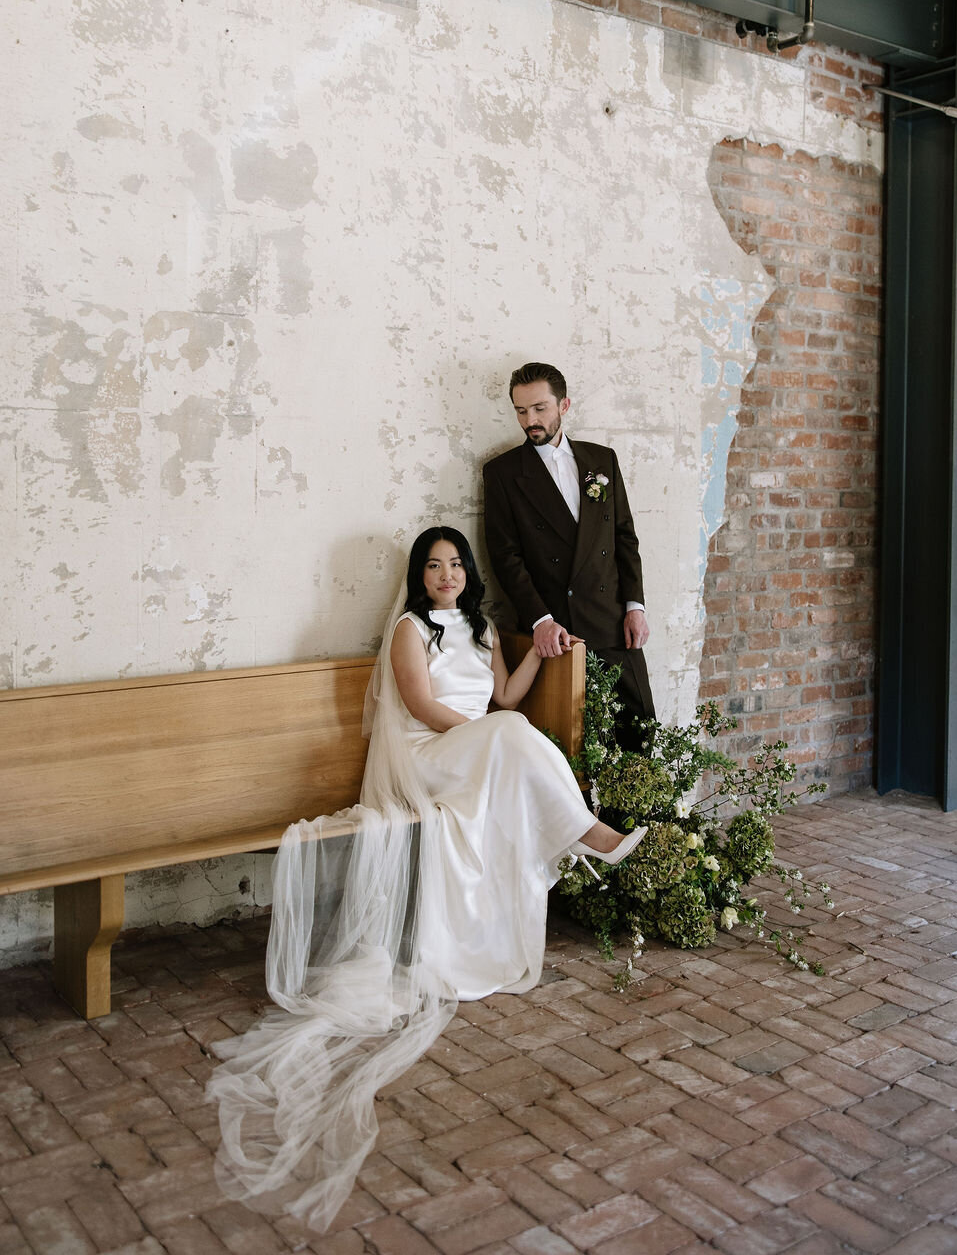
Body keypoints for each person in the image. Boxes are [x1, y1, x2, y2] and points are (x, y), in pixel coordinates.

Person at [207, 526, 645, 1233]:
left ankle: (581, 837)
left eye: (455, 565)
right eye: (434, 566)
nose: (446, 574)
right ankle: (590, 834)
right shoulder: (412, 630)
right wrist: (482, 734)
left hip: (472, 744)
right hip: (429, 753)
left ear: (469, 574)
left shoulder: (480, 629)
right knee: (510, 738)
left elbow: (503, 697)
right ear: (420, 575)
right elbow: (418, 708)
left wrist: (535, 650)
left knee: (513, 733)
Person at [483, 361, 656, 736]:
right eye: (521, 410)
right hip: (558, 634)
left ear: (564, 406)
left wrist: (635, 607)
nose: (530, 420)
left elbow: (624, 537)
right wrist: (540, 621)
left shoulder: (601, 460)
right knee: (575, 749)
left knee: (638, 734)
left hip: (614, 625)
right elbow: (505, 557)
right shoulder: (502, 473)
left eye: (540, 408)